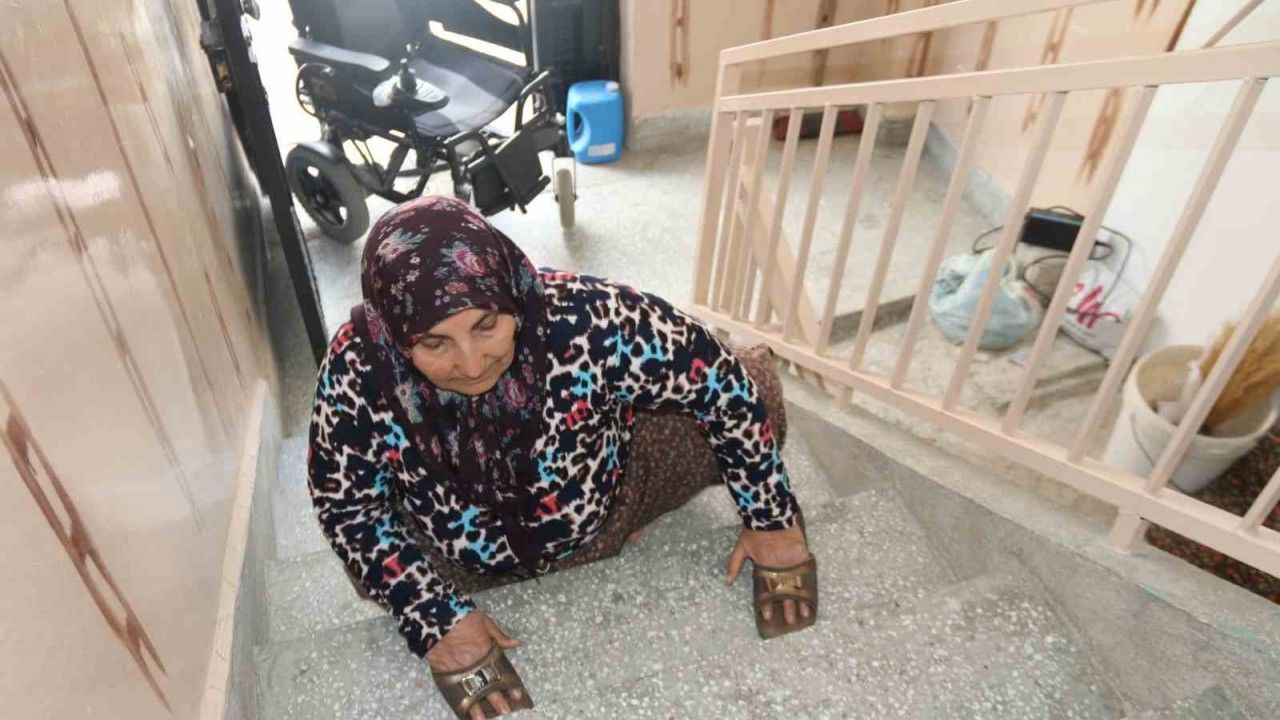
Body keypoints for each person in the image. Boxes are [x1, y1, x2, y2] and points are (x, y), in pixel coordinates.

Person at [307, 196, 818, 719]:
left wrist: (771, 518)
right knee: (367, 559)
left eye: (486, 325)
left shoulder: (586, 316)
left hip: (612, 501)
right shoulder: (357, 368)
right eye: (434, 343)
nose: (472, 364)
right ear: (393, 335)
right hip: (459, 560)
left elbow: (721, 386)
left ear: (509, 294)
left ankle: (626, 522)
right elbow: (346, 507)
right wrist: (434, 617)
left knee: (753, 389)